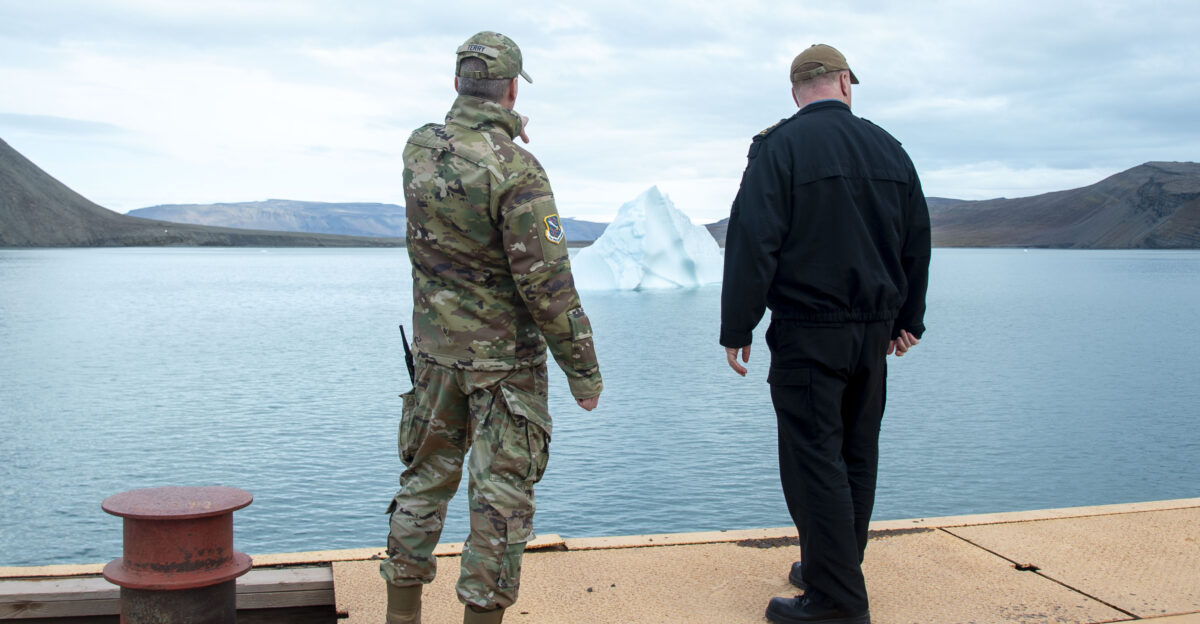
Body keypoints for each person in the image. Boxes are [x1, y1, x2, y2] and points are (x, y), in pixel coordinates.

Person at [381, 31, 603, 624]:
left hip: (434, 360)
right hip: (505, 368)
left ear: (457, 83)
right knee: (499, 503)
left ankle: (400, 615)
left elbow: (461, 140)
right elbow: (548, 284)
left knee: (423, 483)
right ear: (510, 88)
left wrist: (498, 122)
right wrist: (584, 372)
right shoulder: (519, 170)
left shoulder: (417, 148)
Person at [720, 44, 930, 624]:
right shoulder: (890, 148)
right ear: (843, 83)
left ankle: (836, 601)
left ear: (795, 91)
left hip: (810, 332)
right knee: (856, 454)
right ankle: (832, 567)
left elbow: (754, 241)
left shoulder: (778, 148)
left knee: (813, 460)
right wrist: (908, 318)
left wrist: (738, 325)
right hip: (871, 336)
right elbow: (917, 237)